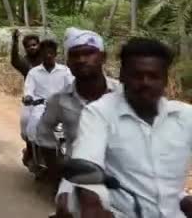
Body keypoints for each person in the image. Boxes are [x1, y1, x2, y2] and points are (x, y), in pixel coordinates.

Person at [68, 38, 192, 218]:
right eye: (137, 75)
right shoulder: (99, 113)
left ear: (165, 79)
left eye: (153, 76)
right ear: (122, 76)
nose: (145, 82)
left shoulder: (185, 116)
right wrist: (93, 205)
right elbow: (87, 169)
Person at [35, 28, 120, 216]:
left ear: (103, 57)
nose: (82, 60)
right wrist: (56, 170)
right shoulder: (58, 100)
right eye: (75, 55)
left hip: (124, 171)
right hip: (79, 172)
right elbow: (43, 133)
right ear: (68, 62)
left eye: (89, 53)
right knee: (66, 209)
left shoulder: (124, 95)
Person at [21, 39, 73, 168]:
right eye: (45, 53)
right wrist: (28, 97)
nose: (48, 55)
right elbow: (29, 90)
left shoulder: (65, 71)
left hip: (62, 107)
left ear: (56, 54)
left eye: (51, 53)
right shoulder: (33, 73)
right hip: (41, 107)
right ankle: (35, 156)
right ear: (41, 54)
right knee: (33, 128)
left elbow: (72, 87)